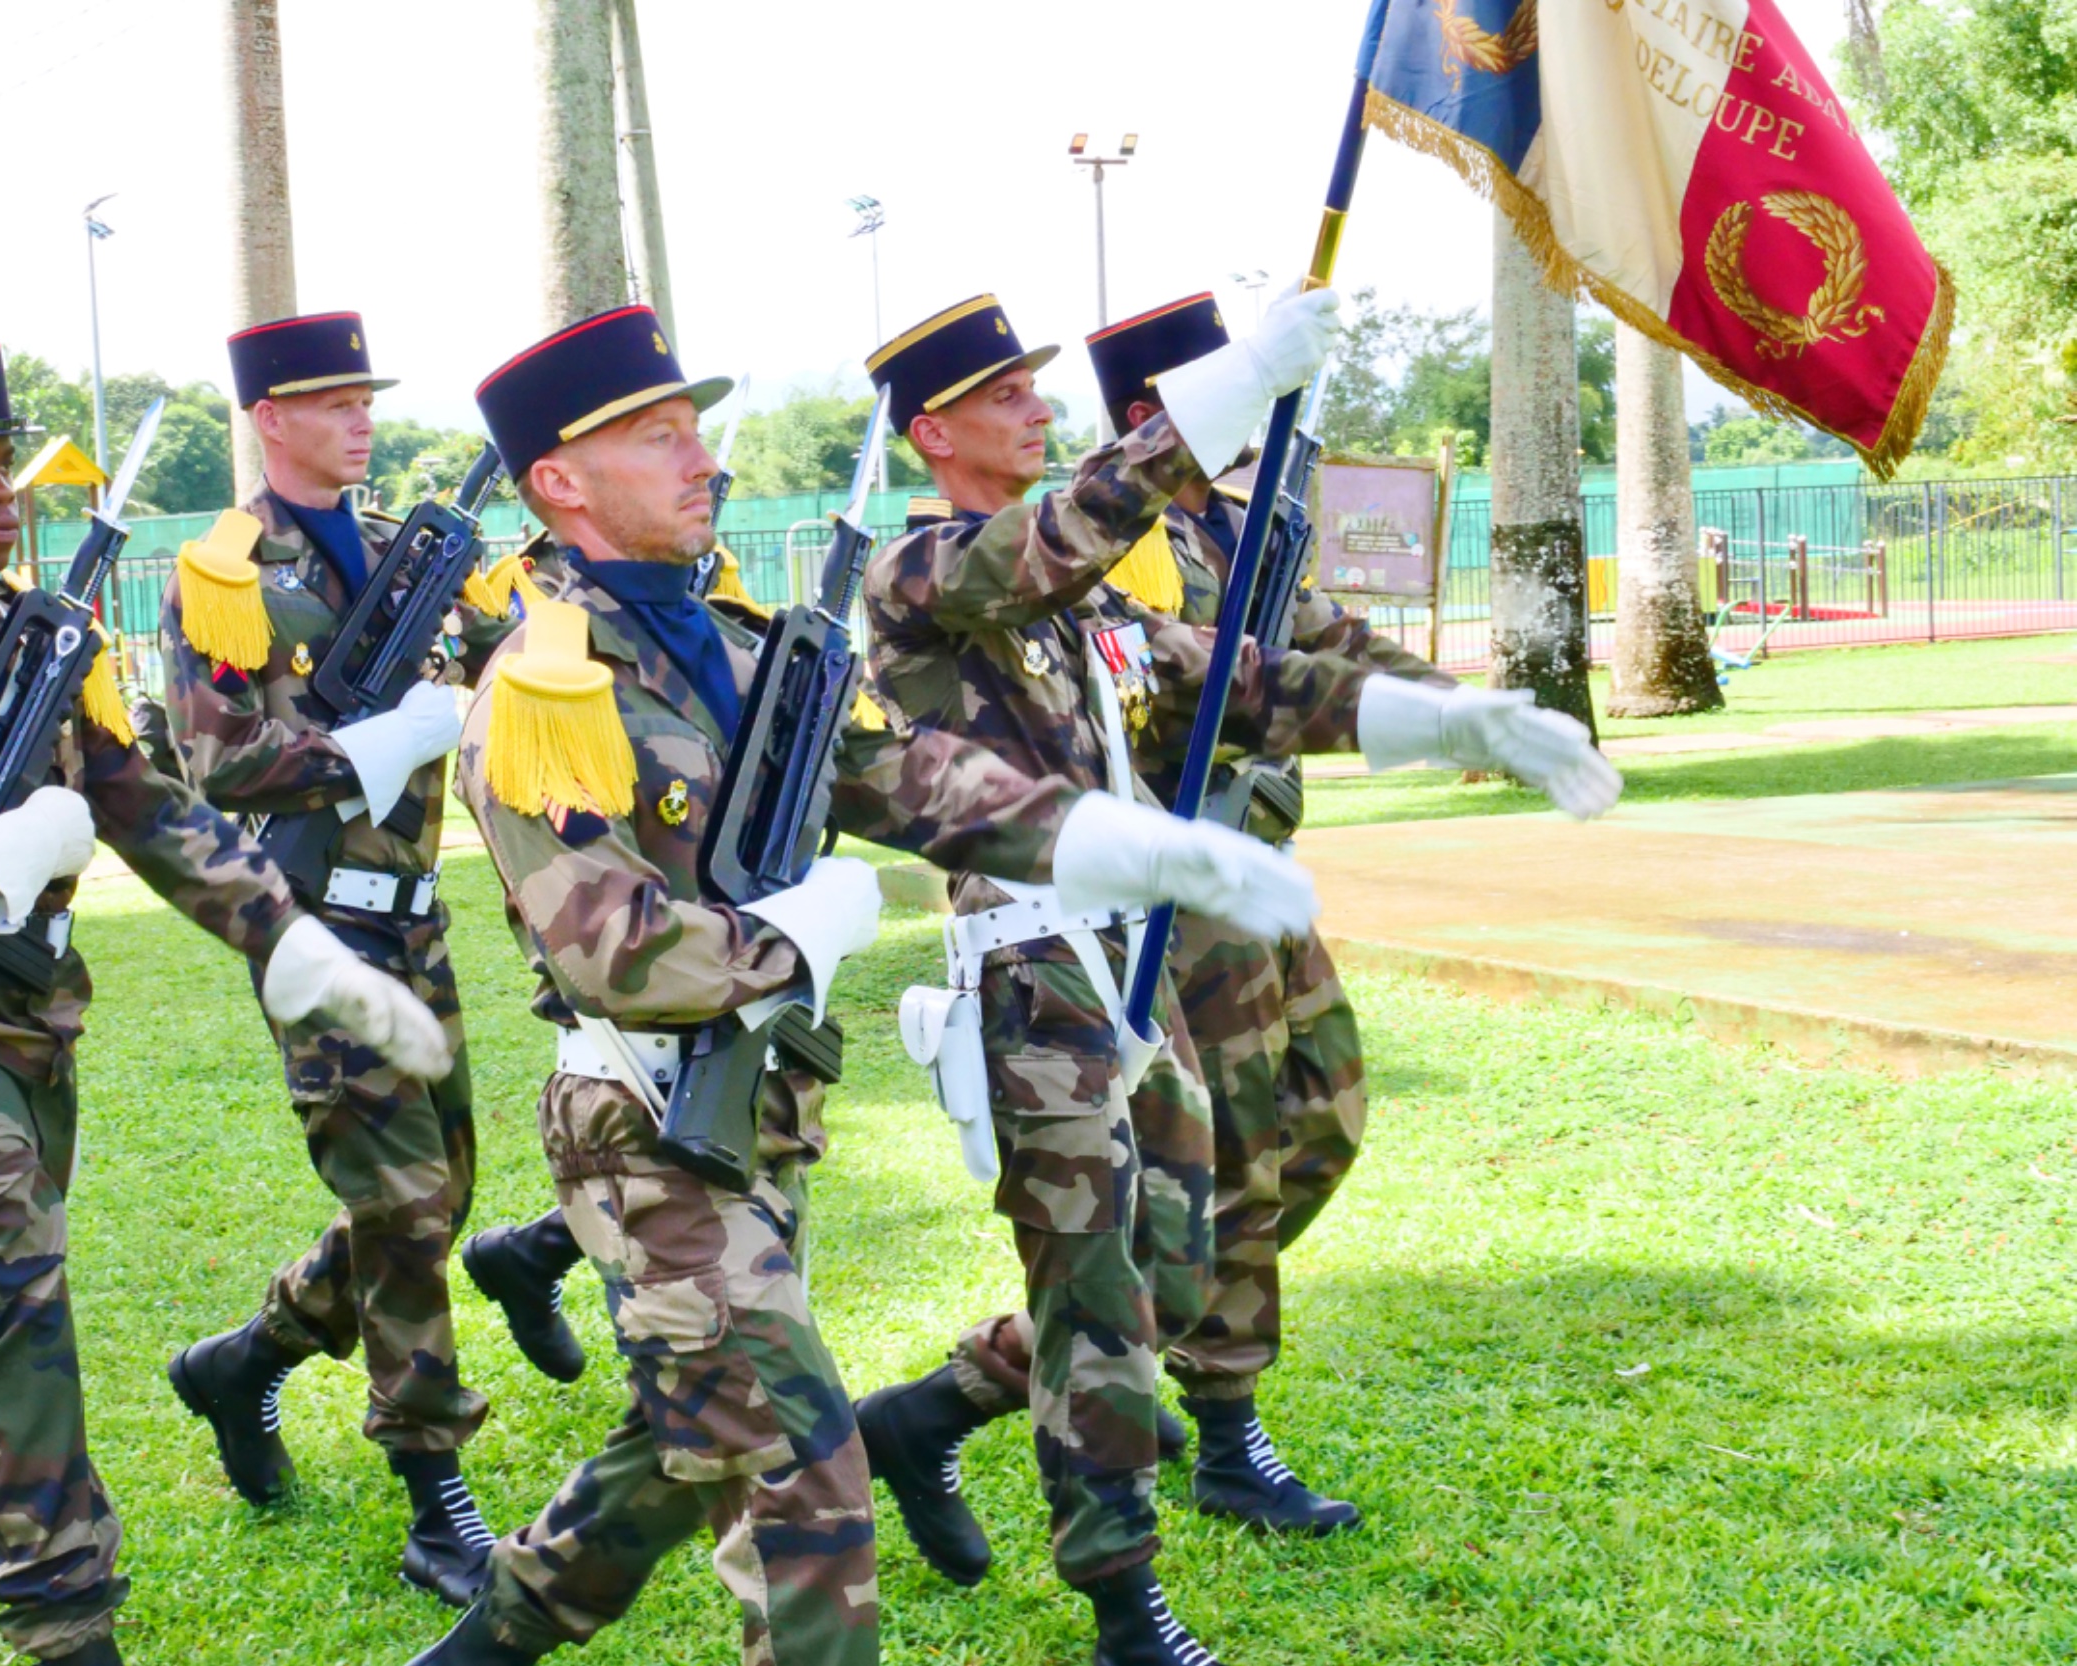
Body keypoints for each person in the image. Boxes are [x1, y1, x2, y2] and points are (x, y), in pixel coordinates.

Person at [406, 305, 1317, 1666]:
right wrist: (800, 936)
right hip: (645, 1123)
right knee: (803, 1480)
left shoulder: (741, 644)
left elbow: (920, 781)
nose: (702, 458)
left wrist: (1115, 839)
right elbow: (612, 950)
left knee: (689, 1436)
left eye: (695, 429)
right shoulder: (545, 688)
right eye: (656, 438)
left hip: (762, 1110)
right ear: (559, 481)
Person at [850, 293, 1619, 1665]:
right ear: (934, 432)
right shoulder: (926, 574)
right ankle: (1125, 1608)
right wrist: (1228, 391)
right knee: (1100, 1285)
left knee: (1172, 1253)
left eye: (1035, 386)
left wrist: (1452, 720)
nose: (1036, 406)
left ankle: (925, 1417)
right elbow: (1063, 531)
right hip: (1034, 974)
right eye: (1005, 393)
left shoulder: (1089, 609)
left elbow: (1242, 683)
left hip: (1131, 962)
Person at [0, 341, 445, 1666]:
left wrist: (289, 940)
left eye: (3, 467)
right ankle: (66, 1631)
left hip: (29, 1022)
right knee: (13, 1303)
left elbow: (152, 807)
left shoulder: (42, 637)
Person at [155, 312, 553, 1604]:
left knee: (438, 1190)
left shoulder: (408, 550)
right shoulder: (226, 574)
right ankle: (437, 1500)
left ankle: (246, 1361)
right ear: (270, 418)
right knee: (406, 1205)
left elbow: (519, 664)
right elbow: (218, 758)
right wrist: (374, 746)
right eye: (333, 402)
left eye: (366, 398)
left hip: (415, 917)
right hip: (314, 924)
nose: (361, 419)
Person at [1078, 290, 1473, 1534]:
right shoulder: (1115, 542)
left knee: (1325, 1114)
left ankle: (1116, 1323)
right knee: (1238, 1153)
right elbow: (1181, 690)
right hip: (1180, 886)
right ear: (1150, 412)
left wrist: (1455, 710)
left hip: (1257, 868)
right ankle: (1224, 1432)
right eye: (1230, 379)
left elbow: (1328, 636)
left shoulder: (1239, 524)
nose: (1254, 397)